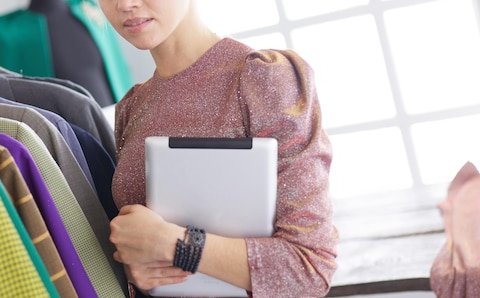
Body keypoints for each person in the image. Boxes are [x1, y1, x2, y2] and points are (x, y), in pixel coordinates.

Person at [99, 0, 339, 297]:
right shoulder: (131, 107)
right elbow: (141, 258)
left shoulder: (262, 79)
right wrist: (134, 268)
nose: (125, 4)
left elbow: (309, 270)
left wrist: (175, 245)